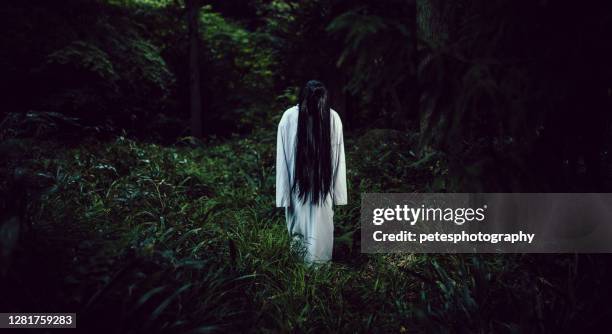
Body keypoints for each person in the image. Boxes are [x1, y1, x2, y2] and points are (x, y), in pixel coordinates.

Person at [275, 80, 347, 264]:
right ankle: (315, 283)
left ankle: (305, 285)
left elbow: (282, 162)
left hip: (302, 191)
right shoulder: (332, 117)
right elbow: (339, 160)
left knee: (302, 239)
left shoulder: (289, 117)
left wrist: (283, 196)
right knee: (318, 243)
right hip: (318, 193)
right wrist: (338, 195)